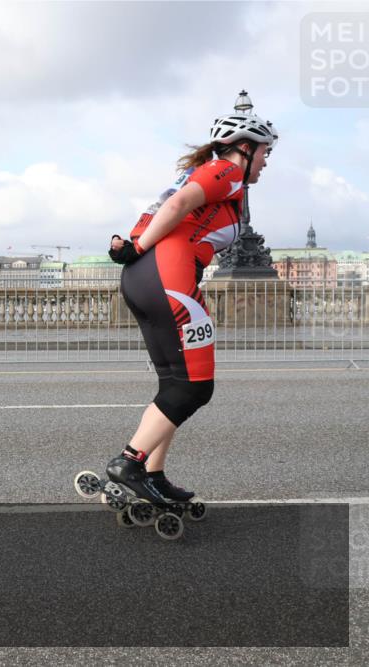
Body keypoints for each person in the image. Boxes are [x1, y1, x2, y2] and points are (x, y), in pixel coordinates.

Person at [105, 112, 278, 505]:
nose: (267, 161)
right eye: (265, 151)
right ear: (244, 149)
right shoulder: (226, 171)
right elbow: (180, 204)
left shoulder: (202, 172)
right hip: (169, 279)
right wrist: (138, 246)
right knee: (195, 387)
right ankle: (129, 463)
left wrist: (131, 248)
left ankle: (153, 473)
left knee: (174, 386)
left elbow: (164, 208)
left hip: (141, 280)